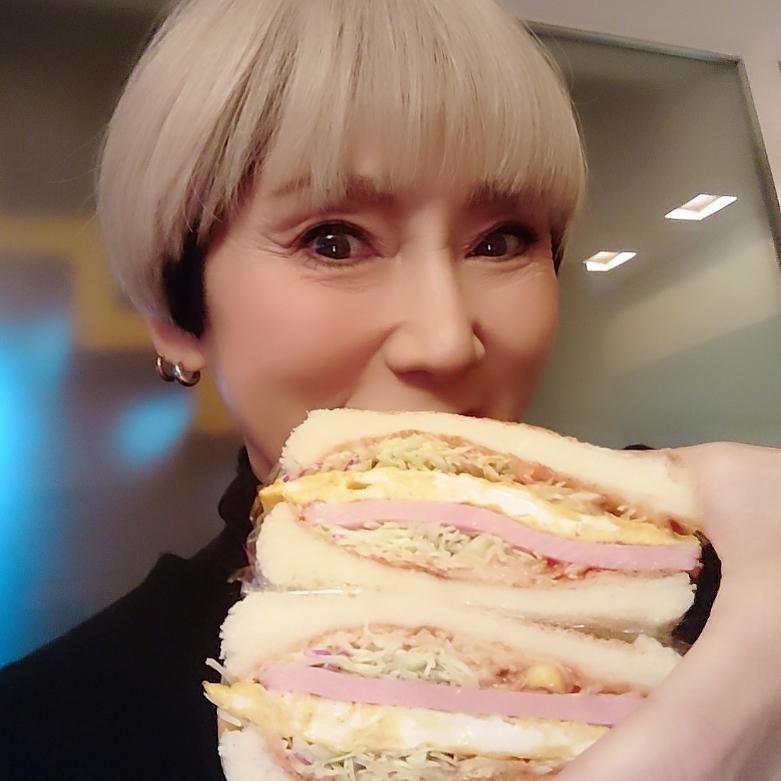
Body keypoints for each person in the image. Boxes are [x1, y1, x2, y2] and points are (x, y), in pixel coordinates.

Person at [2, 1, 780, 779]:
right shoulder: (50, 733)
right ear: (178, 318)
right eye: (333, 240)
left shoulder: (726, 566)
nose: (444, 340)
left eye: (500, 239)